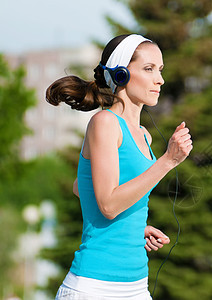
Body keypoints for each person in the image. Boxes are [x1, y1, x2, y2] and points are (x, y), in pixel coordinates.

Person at [46, 34, 193, 299]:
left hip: (136, 287)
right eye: (149, 69)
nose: (159, 79)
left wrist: (134, 226)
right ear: (122, 74)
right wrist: (168, 161)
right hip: (94, 287)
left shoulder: (144, 135)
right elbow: (109, 205)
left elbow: (82, 186)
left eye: (160, 70)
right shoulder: (105, 123)